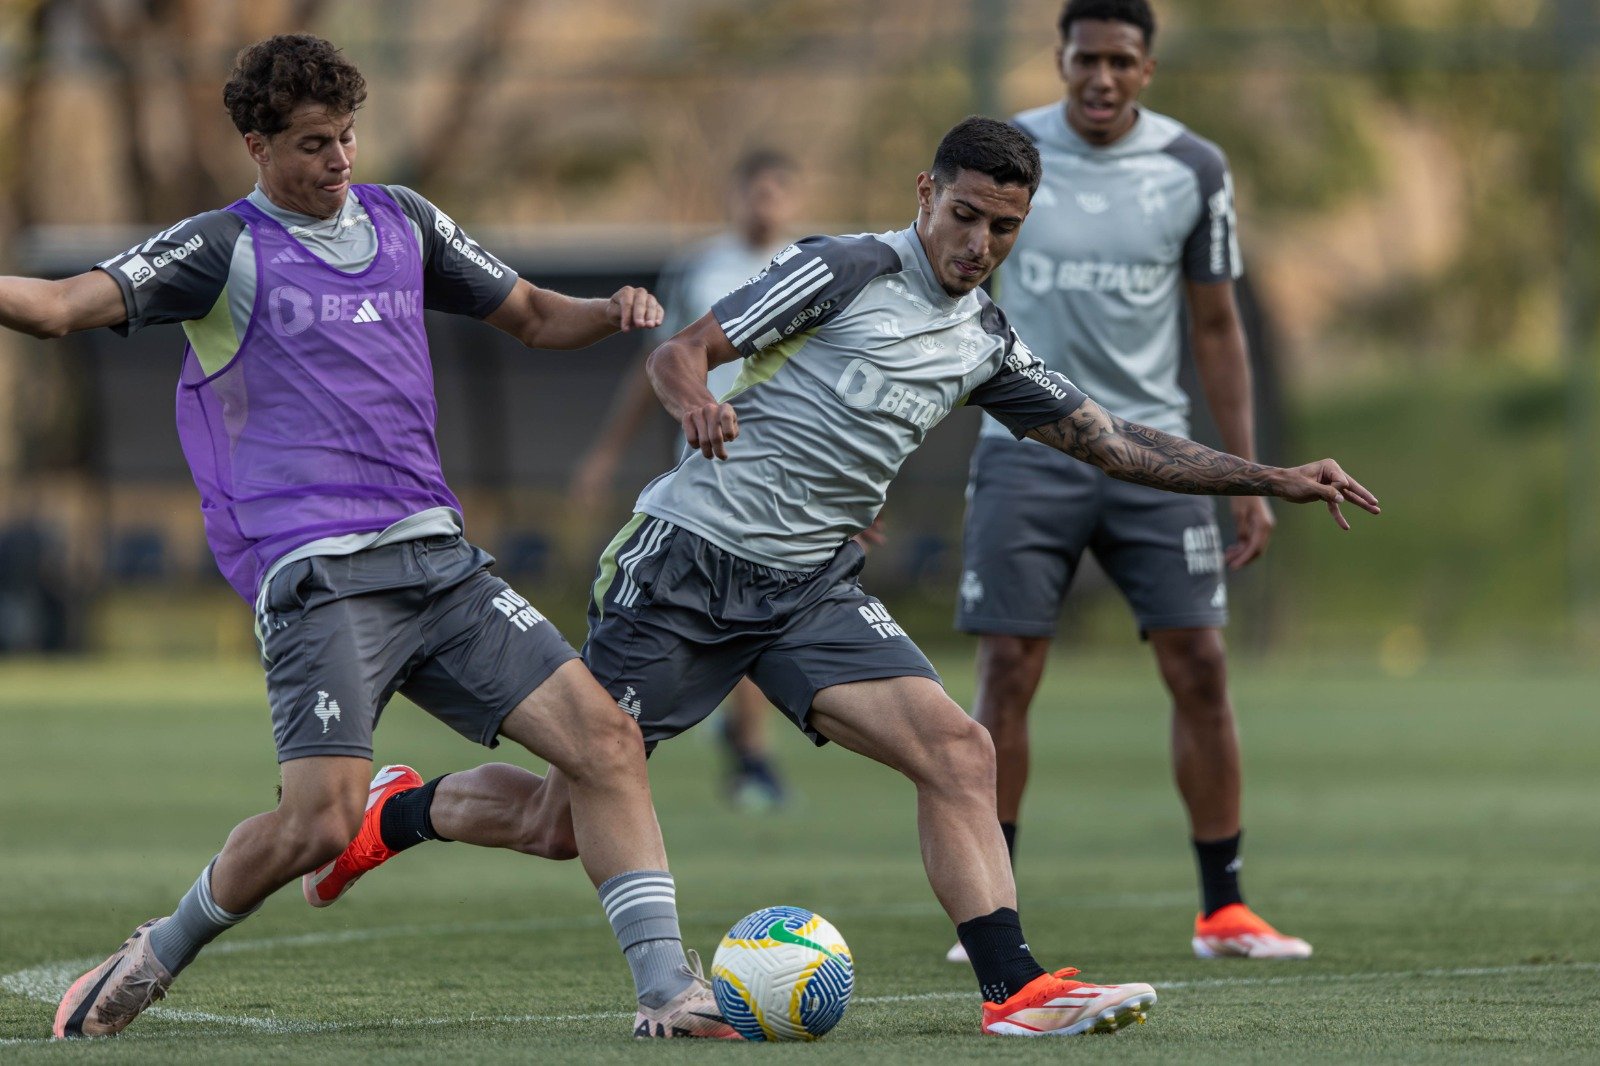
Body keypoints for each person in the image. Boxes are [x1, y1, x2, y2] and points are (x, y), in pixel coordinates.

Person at [310, 115, 1378, 1037]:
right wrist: (696, 405)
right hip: (682, 569)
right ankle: (397, 811)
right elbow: (680, 354)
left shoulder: (985, 344)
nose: (978, 242)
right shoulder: (845, 269)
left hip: (807, 589)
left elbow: (1114, 444)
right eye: (963, 215)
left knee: (958, 748)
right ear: (926, 194)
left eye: (1002, 227)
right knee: (557, 820)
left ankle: (1012, 989)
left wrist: (1272, 475)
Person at [0, 34, 737, 1041]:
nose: (338, 161)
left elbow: (527, 312)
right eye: (311, 143)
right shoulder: (220, 248)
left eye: (346, 137)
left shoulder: (404, 219)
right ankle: (155, 952)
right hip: (322, 581)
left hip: (440, 562)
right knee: (317, 824)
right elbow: (51, 308)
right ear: (256, 145)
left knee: (605, 742)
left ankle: (667, 992)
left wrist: (607, 311)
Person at [948, 0, 1312, 966]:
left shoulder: (1194, 168)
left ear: (1147, 68)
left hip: (1155, 456)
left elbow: (1218, 327)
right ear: (1059, 59)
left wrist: (1245, 479)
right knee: (1008, 673)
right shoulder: (1008, 153)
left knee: (1201, 665)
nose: (1100, 77)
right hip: (1028, 452)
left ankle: (1224, 909)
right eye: (1084, 59)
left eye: (1119, 60)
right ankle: (993, 906)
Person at [568, 149, 804, 811]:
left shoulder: (811, 269)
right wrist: (605, 455)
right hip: (709, 467)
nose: (765, 204)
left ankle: (739, 736)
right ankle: (749, 753)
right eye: (755, 191)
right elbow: (657, 364)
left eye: (778, 192)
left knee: (755, 614)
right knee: (736, 610)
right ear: (736, 194)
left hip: (790, 473)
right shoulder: (700, 268)